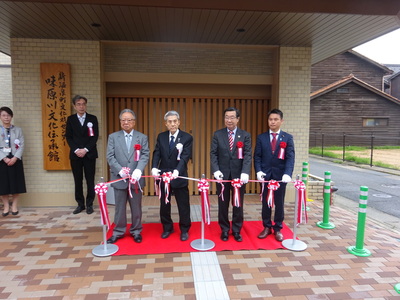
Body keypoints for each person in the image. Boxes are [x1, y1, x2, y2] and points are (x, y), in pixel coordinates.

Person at [106, 109, 149, 244]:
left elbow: (145, 155)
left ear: (134, 122)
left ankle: (136, 231)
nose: (126, 122)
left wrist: (138, 170)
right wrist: (120, 170)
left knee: (136, 207)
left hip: (136, 180)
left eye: (129, 120)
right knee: (119, 207)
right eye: (123, 120)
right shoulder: (113, 137)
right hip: (120, 178)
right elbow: (110, 156)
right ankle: (118, 231)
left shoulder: (142, 137)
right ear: (120, 122)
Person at [210, 107, 252, 242]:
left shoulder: (245, 135)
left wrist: (245, 172)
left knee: (237, 204)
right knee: (223, 204)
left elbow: (247, 156)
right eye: (227, 117)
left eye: (232, 117)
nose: (229, 120)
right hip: (222, 176)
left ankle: (236, 230)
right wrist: (215, 170)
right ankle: (224, 229)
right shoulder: (218, 134)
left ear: (238, 119)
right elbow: (213, 154)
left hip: (238, 176)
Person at [254, 108, 295, 242]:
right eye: (270, 119)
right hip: (266, 176)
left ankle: (278, 228)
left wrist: (287, 174)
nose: (272, 122)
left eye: (275, 119)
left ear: (281, 121)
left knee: (279, 203)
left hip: (280, 176)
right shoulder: (261, 137)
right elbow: (257, 156)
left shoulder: (287, 138)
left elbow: (290, 158)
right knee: (266, 203)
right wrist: (259, 171)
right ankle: (266, 226)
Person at [151, 111, 193, 241]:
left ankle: (184, 229)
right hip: (164, 176)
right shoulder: (161, 136)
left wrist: (177, 171)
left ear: (179, 122)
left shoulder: (187, 137)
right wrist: (154, 167)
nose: (172, 124)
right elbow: (157, 153)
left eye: (175, 121)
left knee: (183, 204)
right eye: (169, 121)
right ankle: (167, 227)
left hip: (179, 176)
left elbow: (185, 156)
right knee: (164, 204)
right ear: (166, 123)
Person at [65, 95, 99, 215]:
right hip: (75, 156)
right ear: (74, 106)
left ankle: (90, 204)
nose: (81, 106)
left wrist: (85, 149)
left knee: (90, 180)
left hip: (89, 155)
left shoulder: (92, 118)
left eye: (83, 104)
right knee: (77, 180)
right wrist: (76, 150)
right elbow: (68, 137)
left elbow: (95, 136)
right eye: (79, 104)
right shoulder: (70, 119)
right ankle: (80, 204)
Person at [0, 106, 26, 216]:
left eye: (8, 115)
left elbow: (22, 144)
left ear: (11, 116)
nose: (6, 117)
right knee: (3, 185)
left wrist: (15, 158)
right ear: (0, 117)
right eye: (4, 115)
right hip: (2, 160)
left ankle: (14, 206)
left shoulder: (18, 130)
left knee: (16, 183)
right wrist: (4, 158)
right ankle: (6, 206)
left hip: (16, 159)